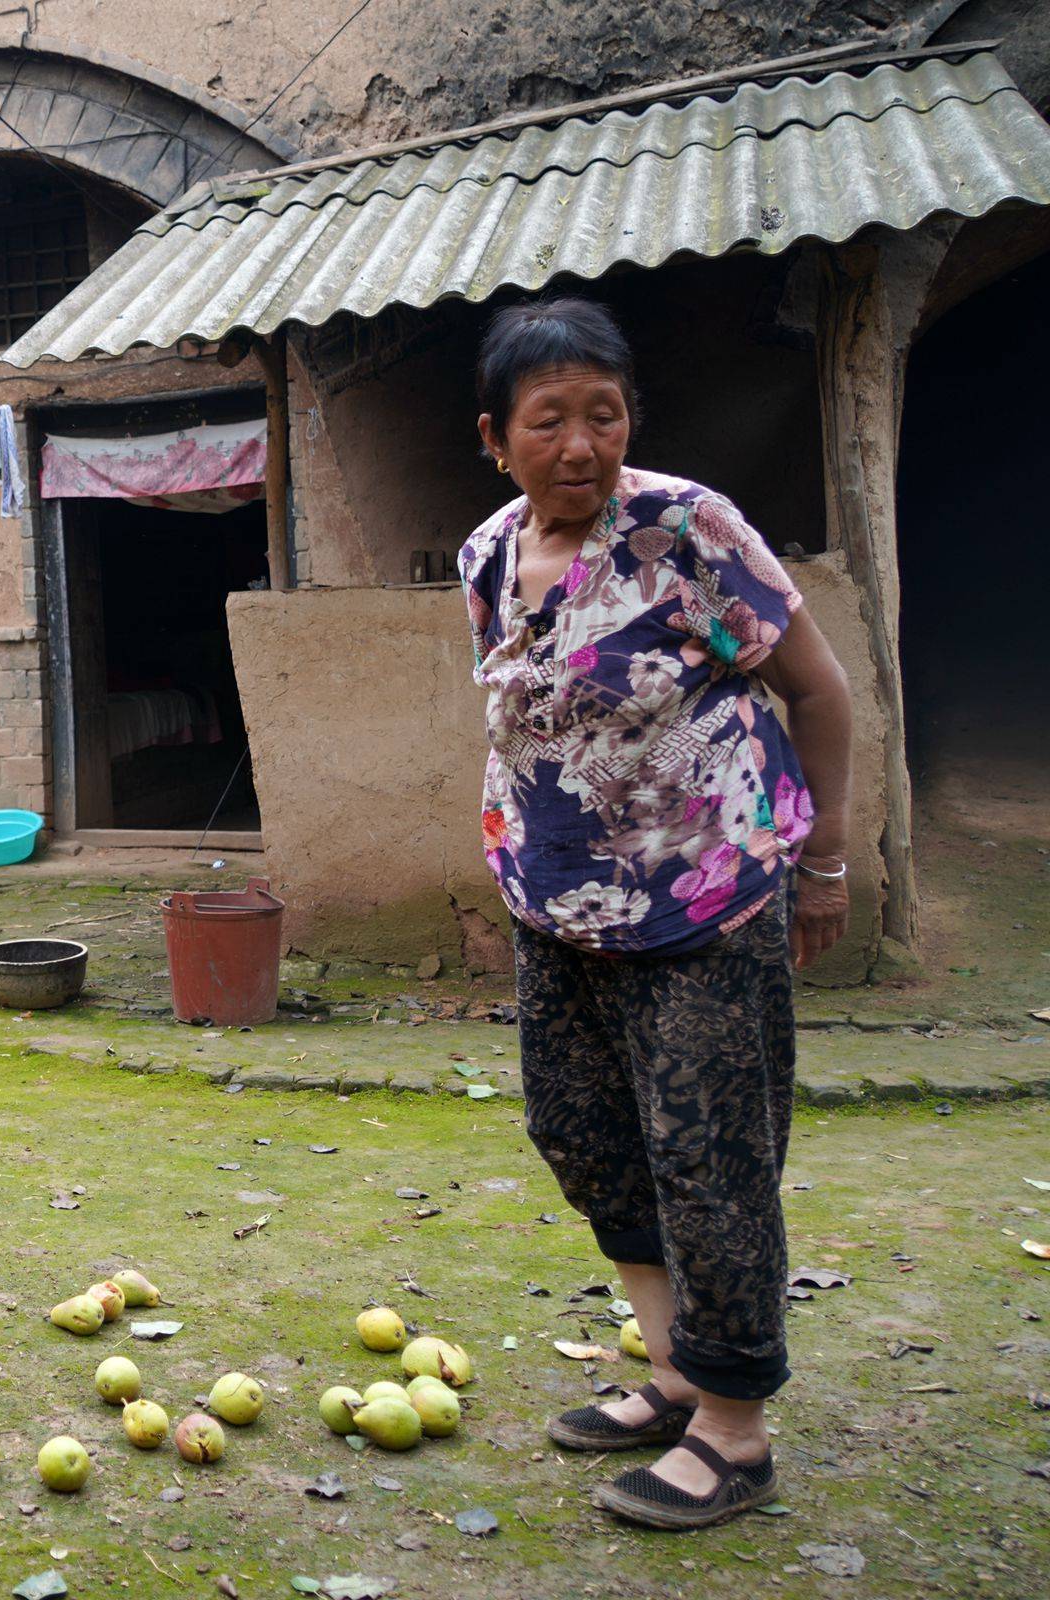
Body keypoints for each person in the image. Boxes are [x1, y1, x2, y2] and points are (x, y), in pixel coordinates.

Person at [456, 300, 853, 1529]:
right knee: (582, 1132)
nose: (580, 443)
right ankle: (676, 1370)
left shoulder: (687, 530)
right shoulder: (486, 554)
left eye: (605, 414)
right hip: (553, 903)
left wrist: (828, 860)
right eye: (548, 420)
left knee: (709, 1154)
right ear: (495, 438)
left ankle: (735, 1432)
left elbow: (818, 690)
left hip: (705, 899)